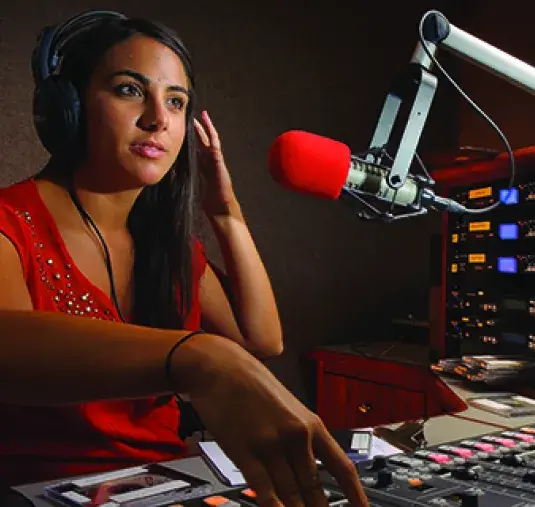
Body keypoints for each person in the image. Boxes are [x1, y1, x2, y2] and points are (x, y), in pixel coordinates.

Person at [0, 10, 369, 507]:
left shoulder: (169, 248)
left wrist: (227, 213)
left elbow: (260, 340)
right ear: (66, 107)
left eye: (176, 101)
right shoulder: (10, 221)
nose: (158, 118)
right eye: (130, 90)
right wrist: (195, 357)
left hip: (170, 485)